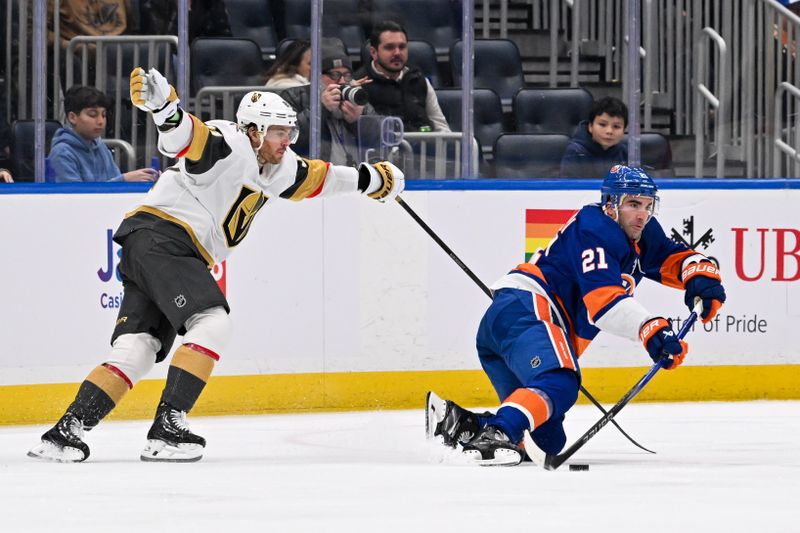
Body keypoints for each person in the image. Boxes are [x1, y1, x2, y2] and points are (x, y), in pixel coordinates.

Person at [27, 66, 403, 463]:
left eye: (289, 132)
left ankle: (65, 433)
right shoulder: (231, 143)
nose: (286, 140)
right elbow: (187, 137)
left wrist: (369, 180)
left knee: (138, 347)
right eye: (278, 132)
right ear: (254, 131)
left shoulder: (278, 165)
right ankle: (168, 425)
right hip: (164, 238)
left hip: (151, 244)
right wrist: (164, 108)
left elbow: (319, 178)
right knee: (213, 321)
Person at [426, 165, 726, 466]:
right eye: (633, 204)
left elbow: (672, 256)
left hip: (511, 320)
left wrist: (701, 276)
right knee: (560, 381)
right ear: (611, 205)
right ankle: (496, 433)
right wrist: (652, 331)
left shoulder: (640, 232)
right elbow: (604, 304)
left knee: (546, 440)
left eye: (648, 206)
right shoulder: (595, 228)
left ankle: (457, 423)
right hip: (528, 311)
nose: (642, 214)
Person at [279, 38, 375, 166]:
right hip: (314, 179)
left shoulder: (356, 99)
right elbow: (289, 140)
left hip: (356, 178)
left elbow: (380, 143)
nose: (341, 82)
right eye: (334, 75)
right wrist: (321, 109)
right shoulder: (294, 97)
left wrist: (358, 122)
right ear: (317, 76)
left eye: (347, 75)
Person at [354, 20, 450, 133]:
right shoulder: (358, 85)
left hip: (423, 148)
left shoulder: (418, 79)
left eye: (402, 47)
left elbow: (441, 127)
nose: (397, 53)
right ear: (374, 52)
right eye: (389, 47)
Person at [49, 85, 159, 183]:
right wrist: (124, 179)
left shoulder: (100, 146)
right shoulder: (62, 153)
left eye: (103, 115)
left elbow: (113, 180)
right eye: (93, 115)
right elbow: (74, 198)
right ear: (72, 117)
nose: (101, 121)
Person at [560, 97, 629, 178]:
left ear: (624, 130)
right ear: (590, 126)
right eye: (602, 125)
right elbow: (569, 187)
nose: (609, 131)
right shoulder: (576, 151)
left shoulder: (625, 153)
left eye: (616, 126)